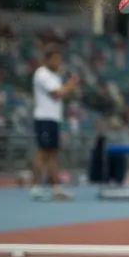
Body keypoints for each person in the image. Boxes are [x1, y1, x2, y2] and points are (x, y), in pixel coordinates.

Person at [31, 46, 79, 200]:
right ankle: (36, 187)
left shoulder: (54, 76)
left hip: (53, 119)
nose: (59, 62)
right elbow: (57, 94)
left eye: (60, 59)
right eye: (56, 59)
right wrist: (71, 84)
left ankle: (56, 188)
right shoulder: (42, 74)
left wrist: (68, 86)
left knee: (53, 153)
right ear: (47, 59)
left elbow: (61, 92)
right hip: (44, 118)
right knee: (43, 152)